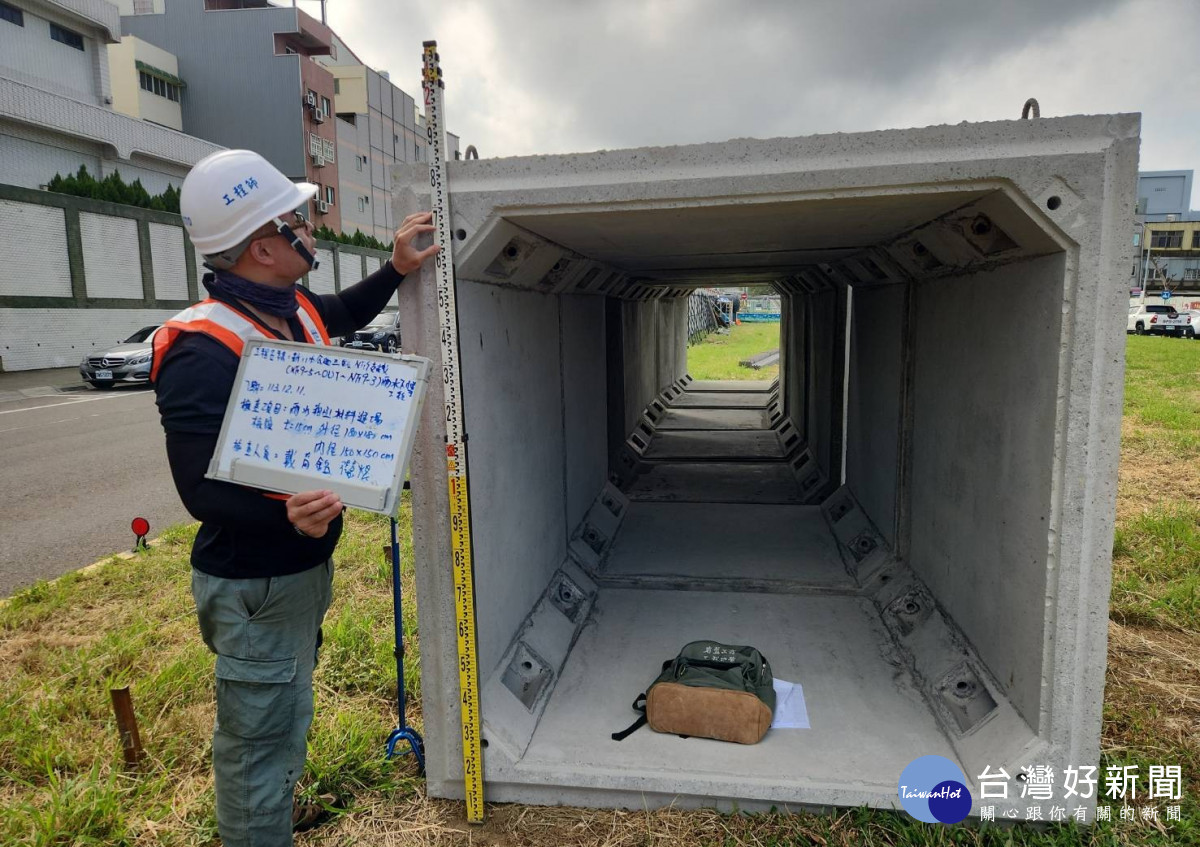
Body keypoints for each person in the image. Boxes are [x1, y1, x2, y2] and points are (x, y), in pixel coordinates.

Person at [151, 149, 438, 847]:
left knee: (281, 714)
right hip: (253, 583)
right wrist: (283, 512)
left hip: (294, 574)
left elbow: (339, 310)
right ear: (264, 246)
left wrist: (397, 268)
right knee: (255, 737)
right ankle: (256, 826)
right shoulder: (201, 346)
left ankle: (271, 813)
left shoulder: (288, 310)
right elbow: (198, 488)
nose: (310, 225)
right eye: (297, 218)